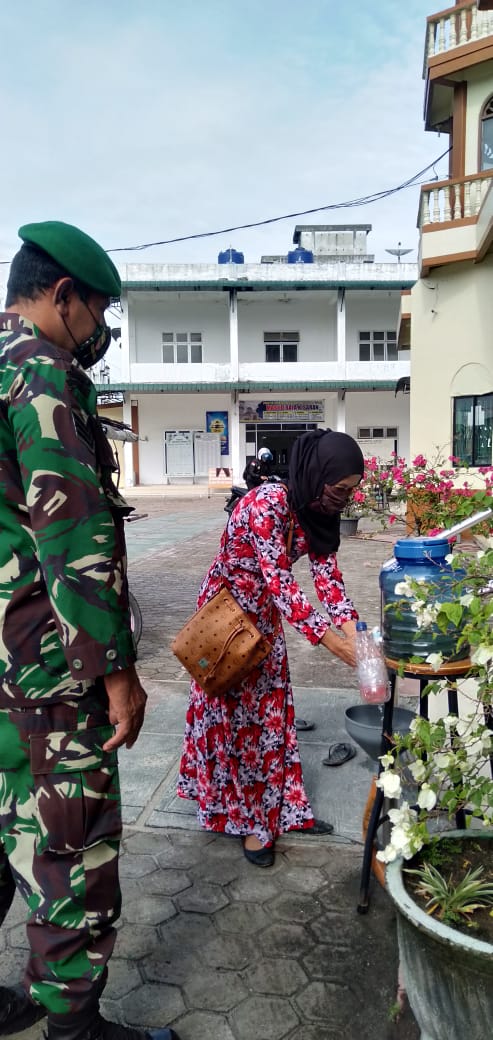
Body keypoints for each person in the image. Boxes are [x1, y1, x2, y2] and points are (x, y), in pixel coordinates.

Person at [0, 223, 180, 1040]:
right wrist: (116, 671)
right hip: (45, 672)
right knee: (71, 848)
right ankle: (72, 1024)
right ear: (61, 296)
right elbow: (71, 532)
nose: (97, 331)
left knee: (5, 828)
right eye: (95, 310)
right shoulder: (40, 373)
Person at [177, 428, 364, 867]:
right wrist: (340, 649)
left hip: (264, 618)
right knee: (234, 719)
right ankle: (250, 823)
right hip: (225, 620)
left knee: (272, 716)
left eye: (350, 493)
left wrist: (357, 633)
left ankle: (283, 809)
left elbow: (328, 581)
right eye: (340, 490)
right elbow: (282, 585)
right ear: (317, 476)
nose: (344, 500)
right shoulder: (269, 505)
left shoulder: (318, 512)